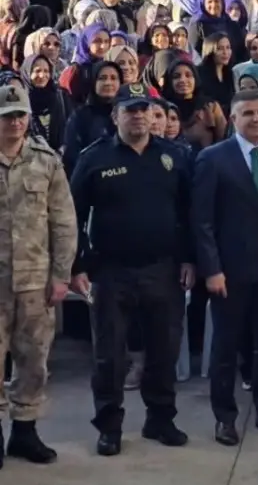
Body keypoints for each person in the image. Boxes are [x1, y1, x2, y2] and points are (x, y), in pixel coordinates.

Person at [68, 94, 193, 456]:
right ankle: (109, 427)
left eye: (144, 110)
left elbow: (189, 213)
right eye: (130, 111)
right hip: (111, 271)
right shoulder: (95, 158)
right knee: (109, 356)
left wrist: (189, 259)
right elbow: (72, 215)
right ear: (115, 116)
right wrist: (78, 264)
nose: (138, 116)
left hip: (163, 269)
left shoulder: (174, 156)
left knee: (164, 351)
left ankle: (161, 419)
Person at [192, 91, 258, 446]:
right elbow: (202, 220)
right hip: (230, 272)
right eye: (248, 113)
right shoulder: (213, 158)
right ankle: (225, 418)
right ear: (233, 118)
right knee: (226, 348)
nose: (257, 119)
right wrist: (212, 269)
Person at [0, 84, 76, 466]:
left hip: (34, 282)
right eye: (6, 116)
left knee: (33, 362)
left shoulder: (46, 162)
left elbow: (63, 222)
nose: (14, 122)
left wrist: (61, 275)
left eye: (20, 115)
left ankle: (24, 433)